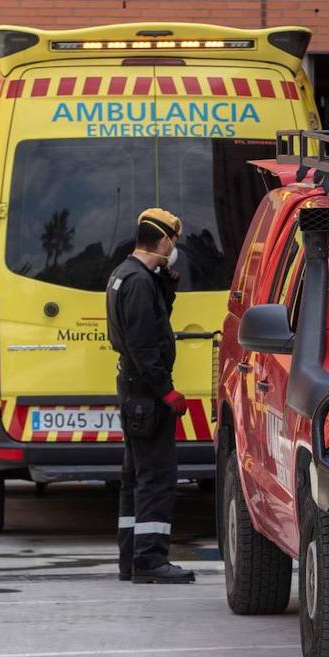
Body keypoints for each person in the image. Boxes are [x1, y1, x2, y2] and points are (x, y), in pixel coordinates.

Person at [107, 208, 195, 585]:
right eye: (172, 243)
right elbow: (145, 345)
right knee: (157, 477)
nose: (173, 250)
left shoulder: (126, 275)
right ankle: (150, 559)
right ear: (162, 241)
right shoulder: (139, 282)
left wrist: (166, 289)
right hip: (146, 392)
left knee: (136, 477)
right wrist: (167, 391)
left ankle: (131, 558)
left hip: (132, 389)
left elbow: (148, 327)